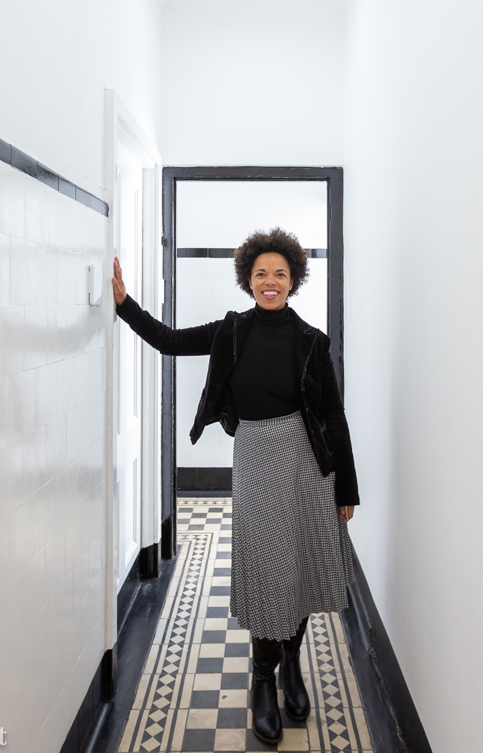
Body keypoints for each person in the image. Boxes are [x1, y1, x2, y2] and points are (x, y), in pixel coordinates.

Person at [112, 227, 359, 744]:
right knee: (270, 567)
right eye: (261, 274)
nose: (271, 282)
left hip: (309, 463)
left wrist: (346, 488)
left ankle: (292, 663)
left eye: (281, 274)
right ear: (248, 280)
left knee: (303, 567)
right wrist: (124, 304)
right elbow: (171, 341)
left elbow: (333, 413)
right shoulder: (231, 332)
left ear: (294, 280)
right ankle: (263, 678)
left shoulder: (312, 341)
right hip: (256, 456)